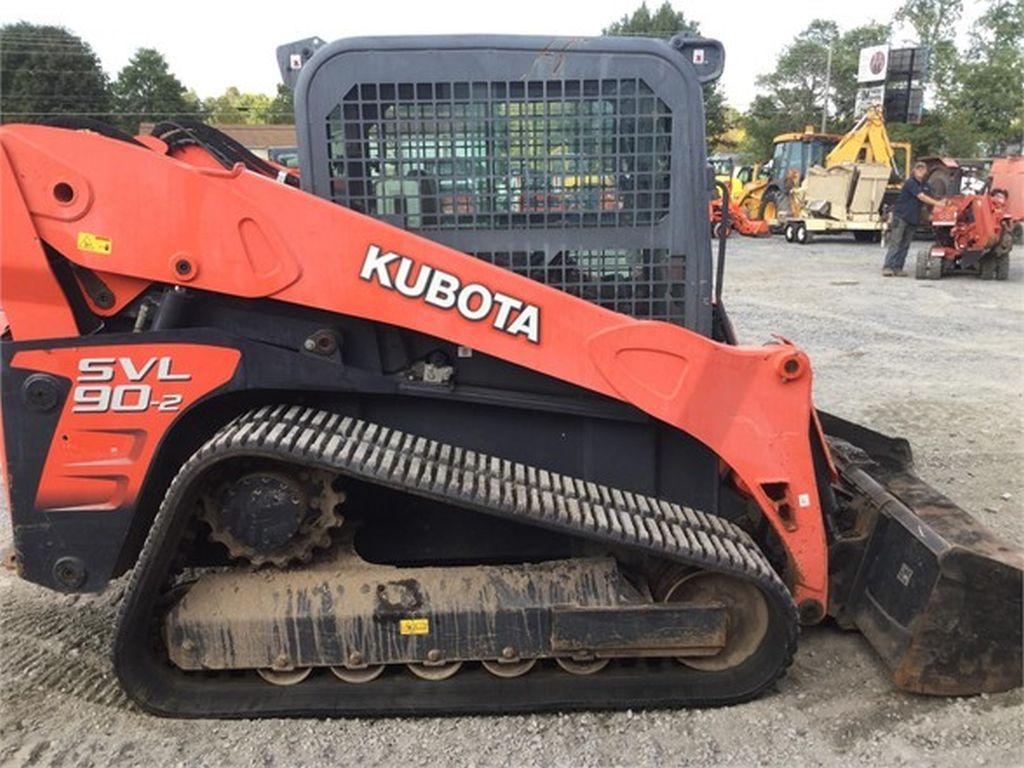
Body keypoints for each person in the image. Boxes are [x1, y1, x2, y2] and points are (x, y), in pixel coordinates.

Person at [883, 161, 943, 276]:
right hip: (901, 217)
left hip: (913, 219)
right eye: (918, 169)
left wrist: (944, 203)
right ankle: (888, 267)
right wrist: (938, 204)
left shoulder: (926, 185)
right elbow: (922, 197)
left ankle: (898, 268)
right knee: (896, 242)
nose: (920, 171)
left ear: (926, 171)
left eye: (922, 169)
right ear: (914, 171)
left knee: (905, 245)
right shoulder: (910, 183)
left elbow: (933, 197)